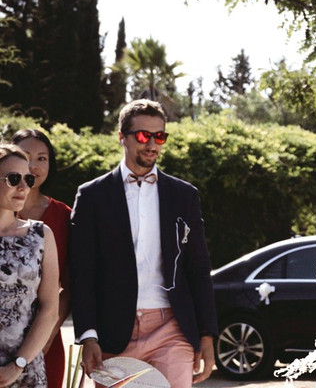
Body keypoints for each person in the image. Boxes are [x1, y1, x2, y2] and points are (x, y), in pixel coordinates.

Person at [69, 99, 218, 387]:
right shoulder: (92, 196)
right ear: (121, 137)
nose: (152, 144)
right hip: (113, 329)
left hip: (172, 327)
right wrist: (88, 335)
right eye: (142, 135)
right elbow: (82, 271)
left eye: (159, 136)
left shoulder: (184, 195)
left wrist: (207, 334)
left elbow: (198, 268)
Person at [12, 129, 72, 388]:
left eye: (42, 158)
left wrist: (46, 337)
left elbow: (69, 287)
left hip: (46, 342)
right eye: (26, 156)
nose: (34, 166)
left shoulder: (63, 216)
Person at [0, 144, 60, 387]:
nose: (24, 187)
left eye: (28, 179)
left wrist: (18, 364)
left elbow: (50, 310)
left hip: (25, 371)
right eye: (14, 179)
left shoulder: (40, 234)